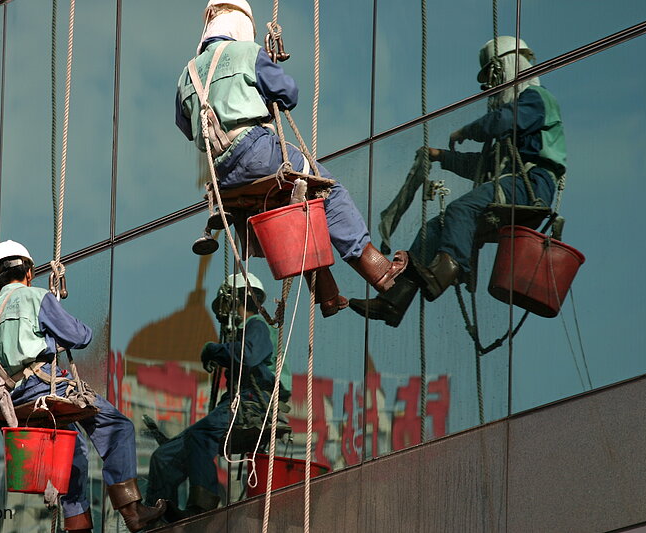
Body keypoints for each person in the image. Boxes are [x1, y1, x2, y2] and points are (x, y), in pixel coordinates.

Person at [176, 0, 407, 318]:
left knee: (288, 207)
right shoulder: (247, 53)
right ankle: (377, 269)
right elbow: (288, 94)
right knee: (328, 190)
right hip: (257, 151)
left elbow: (187, 128)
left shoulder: (187, 74)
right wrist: (263, 72)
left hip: (221, 174)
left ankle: (326, 294)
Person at [350, 36, 566, 326]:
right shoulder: (514, 129)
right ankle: (394, 301)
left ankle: (447, 271)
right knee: (433, 229)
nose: (489, 88)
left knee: (459, 210)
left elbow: (502, 121)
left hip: (533, 184)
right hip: (514, 183)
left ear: (506, 67)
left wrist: (468, 129)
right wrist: (441, 157)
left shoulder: (536, 100)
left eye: (492, 77)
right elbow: (484, 165)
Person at [0, 241, 165, 533]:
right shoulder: (36, 297)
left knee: (72, 456)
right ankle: (132, 512)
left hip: (11, 402)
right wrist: (53, 331)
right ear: (29, 272)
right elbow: (80, 336)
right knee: (116, 427)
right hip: (45, 387)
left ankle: (78, 527)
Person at [145, 273, 290, 520]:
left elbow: (248, 356)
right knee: (163, 456)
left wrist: (215, 350)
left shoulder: (257, 325)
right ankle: (160, 518)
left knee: (200, 435)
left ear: (236, 299)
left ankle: (203, 503)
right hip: (236, 402)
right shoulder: (243, 332)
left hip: (250, 403)